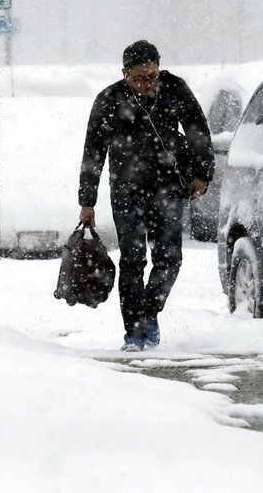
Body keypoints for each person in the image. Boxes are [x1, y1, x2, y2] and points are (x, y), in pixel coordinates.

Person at [78, 40, 214, 352]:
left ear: (158, 68)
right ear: (124, 73)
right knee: (133, 260)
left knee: (170, 259)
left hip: (168, 188)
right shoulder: (109, 100)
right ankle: (134, 333)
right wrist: (87, 200)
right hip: (127, 192)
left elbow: (198, 131)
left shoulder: (174, 89)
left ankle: (150, 309)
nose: (146, 84)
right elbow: (93, 152)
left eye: (151, 76)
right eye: (138, 78)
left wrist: (203, 174)